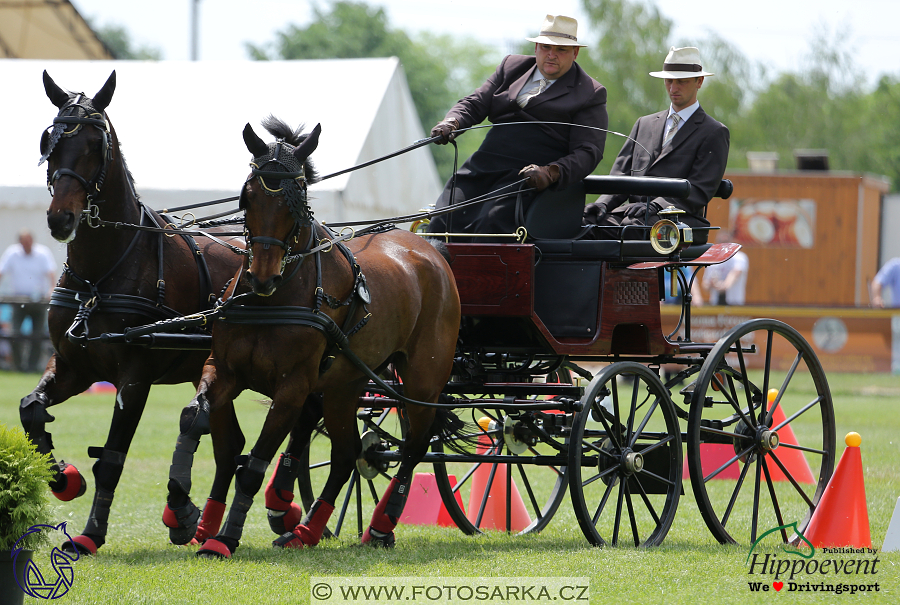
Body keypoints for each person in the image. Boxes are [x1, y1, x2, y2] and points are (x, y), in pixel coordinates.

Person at [426, 15, 608, 239]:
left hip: (529, 175)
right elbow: (475, 102)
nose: (551, 55)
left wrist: (550, 173)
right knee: (442, 219)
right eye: (546, 47)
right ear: (536, 47)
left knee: (490, 223)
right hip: (485, 163)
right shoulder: (511, 66)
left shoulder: (590, 92)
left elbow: (588, 152)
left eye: (561, 49)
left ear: (575, 53)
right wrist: (451, 122)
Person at [583, 46, 729, 243]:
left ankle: (628, 274)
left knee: (633, 230)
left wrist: (658, 205)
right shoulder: (644, 124)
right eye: (669, 80)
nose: (673, 88)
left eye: (681, 81)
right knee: (585, 225)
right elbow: (620, 176)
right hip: (632, 216)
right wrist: (602, 204)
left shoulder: (713, 132)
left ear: (699, 82)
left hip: (677, 219)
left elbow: (700, 188)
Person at [0, 230, 58, 372]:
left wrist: (51, 289)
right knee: (14, 333)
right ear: (20, 242)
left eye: (29, 241)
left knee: (38, 335)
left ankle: (32, 367)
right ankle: (18, 366)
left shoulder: (43, 253)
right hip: (17, 300)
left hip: (38, 301)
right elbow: (2, 271)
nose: (27, 245)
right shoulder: (12, 253)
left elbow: (51, 274)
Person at [701, 230, 748, 305]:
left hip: (734, 303)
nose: (724, 245)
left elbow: (734, 274)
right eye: (721, 242)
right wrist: (711, 283)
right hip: (715, 303)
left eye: (726, 242)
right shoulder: (712, 260)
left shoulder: (739, 257)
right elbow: (705, 286)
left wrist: (722, 285)